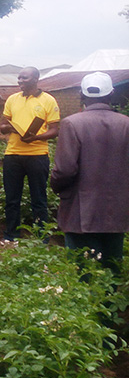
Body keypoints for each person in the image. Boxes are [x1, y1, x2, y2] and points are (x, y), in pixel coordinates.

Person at [50, 72, 129, 274]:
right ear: (111, 94)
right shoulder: (125, 123)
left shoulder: (72, 123)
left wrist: (56, 187)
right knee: (112, 271)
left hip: (80, 211)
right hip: (116, 211)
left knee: (82, 272)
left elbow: (65, 170)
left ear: (82, 96)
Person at [0, 67, 60, 243]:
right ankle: (11, 236)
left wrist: (36, 137)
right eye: (18, 77)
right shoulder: (12, 99)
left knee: (39, 198)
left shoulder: (48, 100)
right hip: (13, 154)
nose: (20, 81)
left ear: (35, 79)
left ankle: (41, 237)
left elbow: (55, 130)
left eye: (24, 77)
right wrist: (10, 128)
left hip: (37, 155)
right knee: (12, 198)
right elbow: (2, 127)